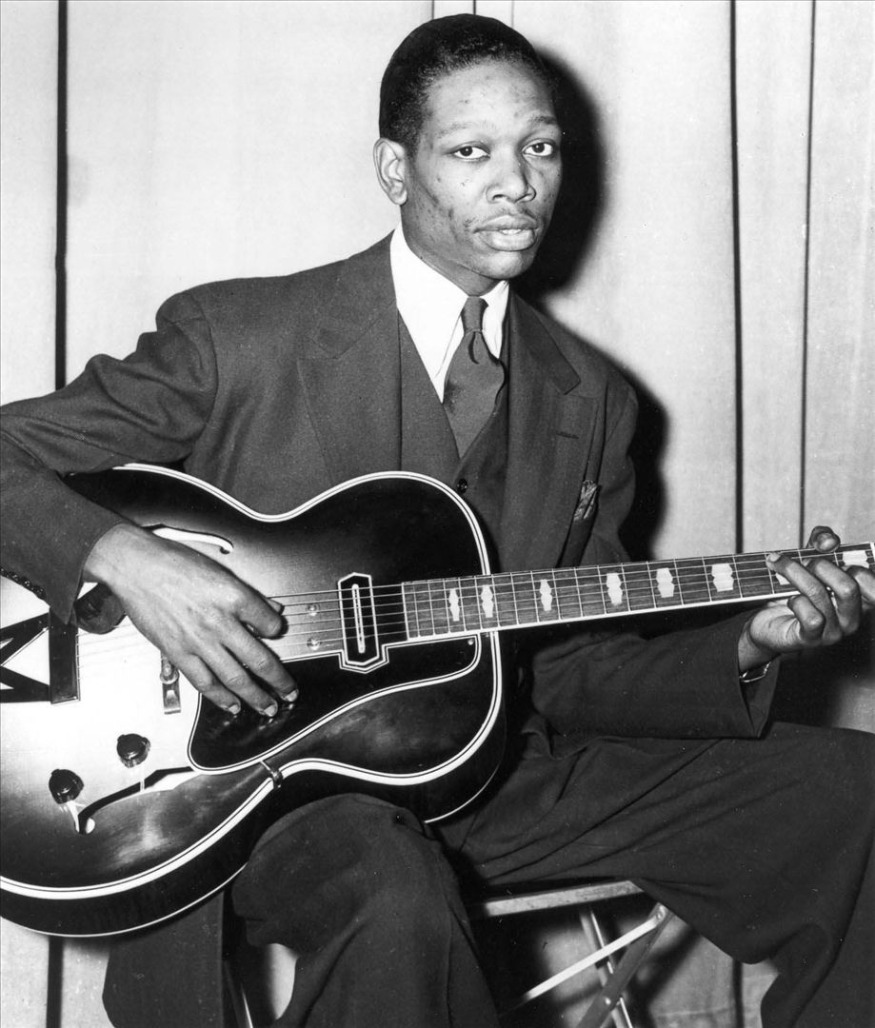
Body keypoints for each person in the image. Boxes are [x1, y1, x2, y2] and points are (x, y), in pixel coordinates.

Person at [1, 14, 873, 1028]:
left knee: (843, 788)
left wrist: (750, 641)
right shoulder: (238, 336)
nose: (517, 183)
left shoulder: (590, 397)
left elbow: (570, 664)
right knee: (392, 888)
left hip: (491, 780)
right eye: (471, 152)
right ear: (395, 168)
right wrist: (127, 560)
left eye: (539, 147)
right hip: (261, 800)